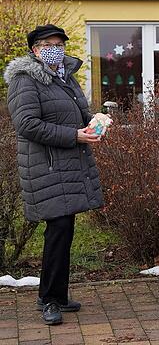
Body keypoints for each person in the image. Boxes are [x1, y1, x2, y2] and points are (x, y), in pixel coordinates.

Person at [4, 24, 105, 325]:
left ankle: (58, 294)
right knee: (58, 231)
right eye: (49, 44)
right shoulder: (25, 80)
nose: (56, 49)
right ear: (35, 50)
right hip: (46, 167)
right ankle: (48, 299)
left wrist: (94, 121)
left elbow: (77, 113)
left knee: (64, 231)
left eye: (60, 44)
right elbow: (27, 125)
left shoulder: (65, 78)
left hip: (68, 166)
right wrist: (74, 135)